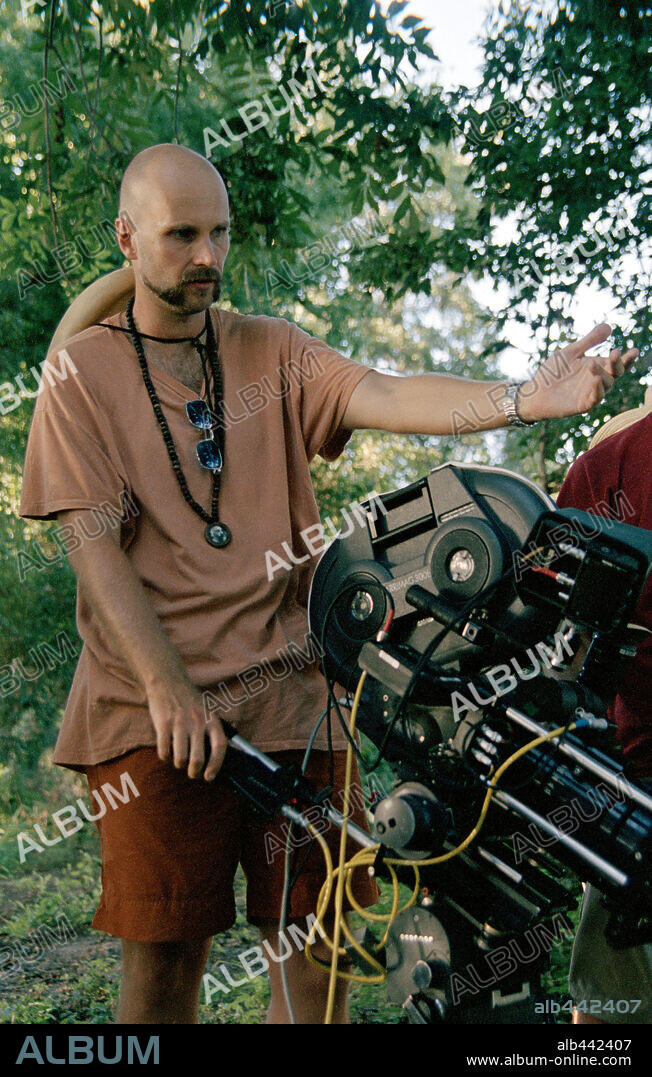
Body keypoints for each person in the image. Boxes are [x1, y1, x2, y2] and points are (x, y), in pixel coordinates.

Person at [18, 142, 637, 1025]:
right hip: (152, 713)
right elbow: (93, 549)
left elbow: (386, 392)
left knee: (317, 959)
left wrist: (520, 398)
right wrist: (168, 689)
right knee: (163, 966)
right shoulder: (80, 372)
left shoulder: (270, 349)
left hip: (296, 704)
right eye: (182, 235)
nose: (207, 255)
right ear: (126, 238)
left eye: (219, 233)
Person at [555, 388, 652, 1027]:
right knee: (611, 1006)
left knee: (611, 1007)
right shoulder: (608, 460)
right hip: (636, 782)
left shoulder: (609, 458)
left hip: (635, 776)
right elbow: (560, 642)